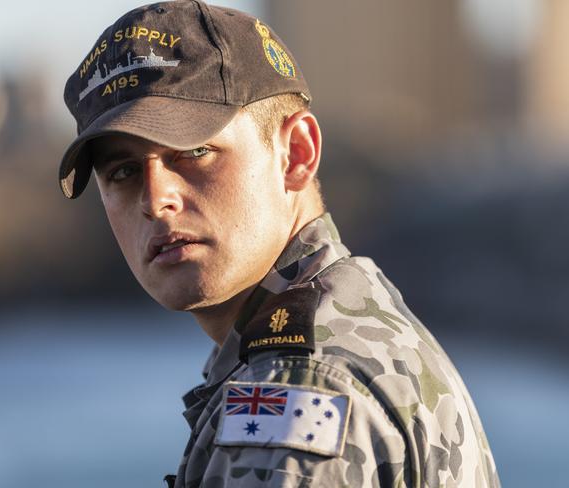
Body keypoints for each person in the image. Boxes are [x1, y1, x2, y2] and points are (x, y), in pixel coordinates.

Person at [58, 1, 500, 486]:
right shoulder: (357, 320)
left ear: (295, 154)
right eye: (122, 172)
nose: (156, 199)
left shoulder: (293, 400)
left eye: (194, 152)